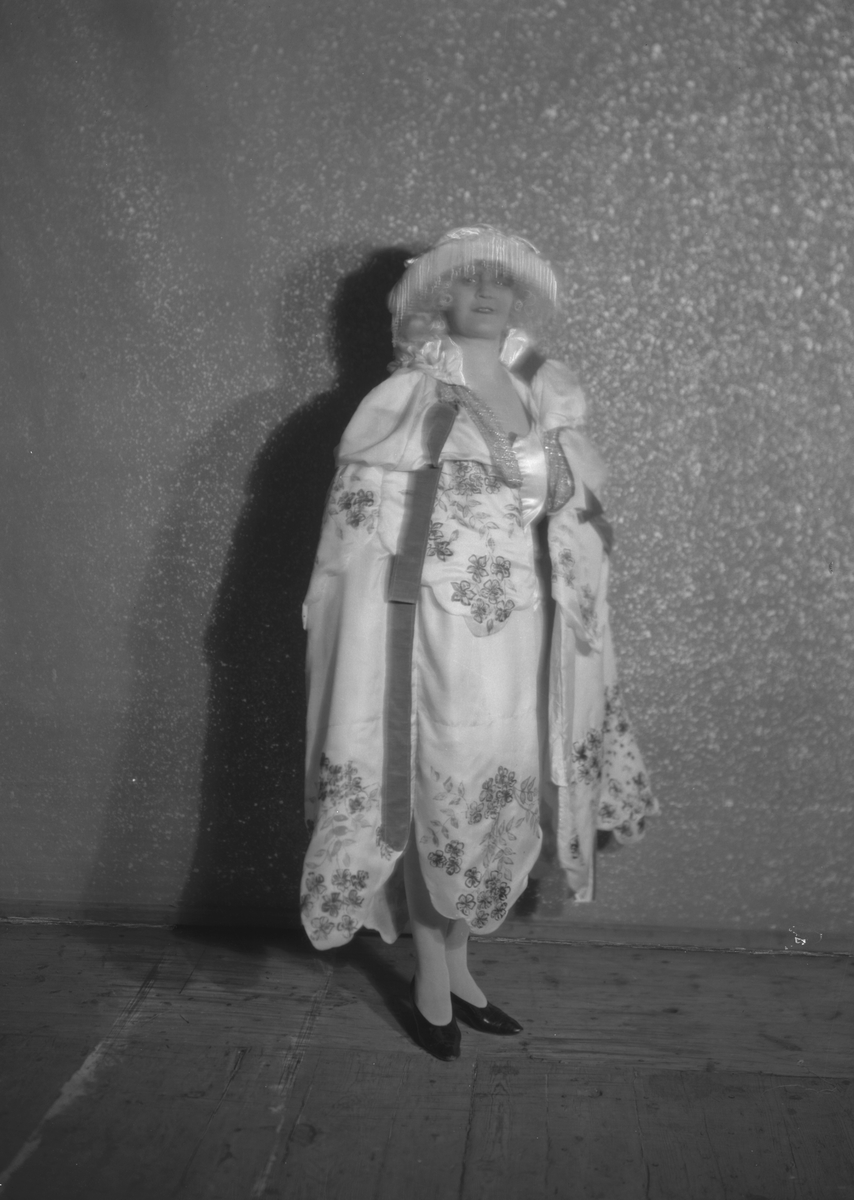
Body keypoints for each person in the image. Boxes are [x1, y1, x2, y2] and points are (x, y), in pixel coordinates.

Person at [299, 226, 658, 1060]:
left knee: (504, 784)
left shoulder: (544, 391)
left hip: (529, 631)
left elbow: (576, 514)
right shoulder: (409, 400)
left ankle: (458, 964)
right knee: (442, 780)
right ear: (437, 298)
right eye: (468, 282)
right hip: (440, 634)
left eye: (500, 282)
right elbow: (359, 530)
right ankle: (432, 971)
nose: (487, 295)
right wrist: (376, 627)